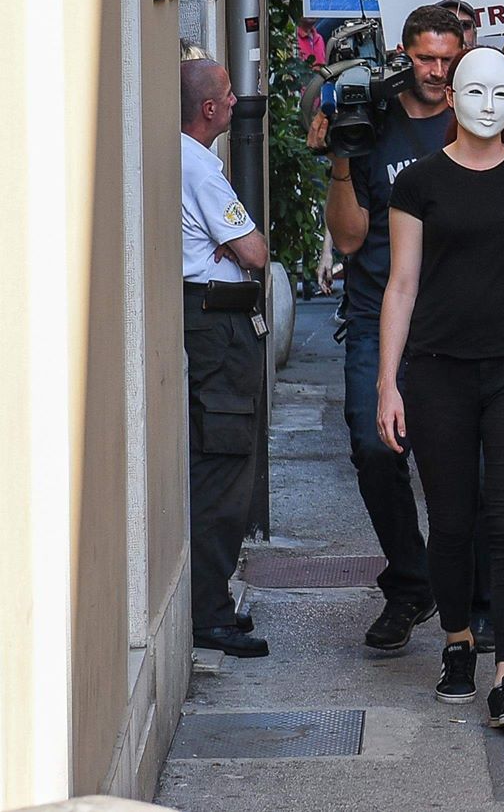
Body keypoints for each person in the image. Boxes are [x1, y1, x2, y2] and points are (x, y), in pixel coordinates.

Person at [377, 45, 504, 731]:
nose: (490, 104)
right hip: (437, 368)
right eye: (476, 91)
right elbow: (400, 286)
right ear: (452, 96)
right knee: (453, 520)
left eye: (502, 92)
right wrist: (388, 383)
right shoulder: (420, 184)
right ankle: (459, 642)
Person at [317, 3, 473, 653]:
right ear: (404, 55)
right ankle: (412, 581)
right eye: (425, 59)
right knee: (375, 450)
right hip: (376, 310)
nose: (437, 72)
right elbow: (350, 238)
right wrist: (344, 158)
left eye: (448, 59)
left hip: (457, 319)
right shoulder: (373, 123)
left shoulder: (476, 118)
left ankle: (473, 594)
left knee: (469, 470)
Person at [180, 59, 273, 659]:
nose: (238, 100)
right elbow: (255, 251)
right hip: (216, 324)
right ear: (210, 110)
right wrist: (242, 249)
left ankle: (209, 600)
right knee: (223, 461)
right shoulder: (197, 167)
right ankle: (208, 609)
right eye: (228, 93)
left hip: (206, 319)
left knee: (217, 460)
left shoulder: (184, 161)